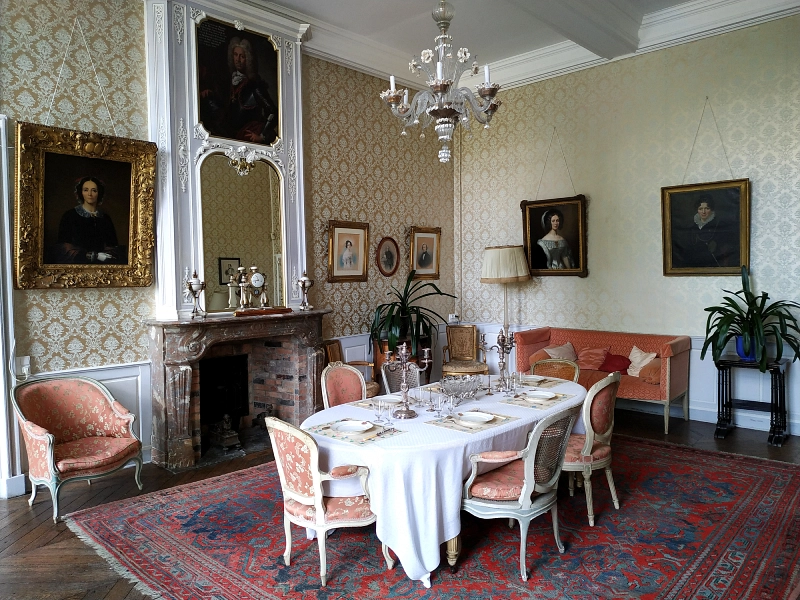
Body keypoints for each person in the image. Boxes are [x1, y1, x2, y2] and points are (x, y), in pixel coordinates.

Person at [200, 37, 278, 144]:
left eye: (242, 56)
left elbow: (273, 112)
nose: (238, 59)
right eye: (235, 55)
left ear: (248, 59)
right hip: (230, 132)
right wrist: (210, 94)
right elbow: (226, 108)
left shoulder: (254, 85)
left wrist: (262, 136)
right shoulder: (229, 82)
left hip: (246, 133)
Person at [49, 176, 125, 264]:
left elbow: (113, 247)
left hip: (102, 267)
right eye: (86, 190)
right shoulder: (70, 216)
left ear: (99, 193)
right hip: (76, 266)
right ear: (81, 192)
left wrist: (106, 255)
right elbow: (63, 249)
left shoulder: (105, 218)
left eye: (94, 190)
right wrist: (92, 255)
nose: (90, 194)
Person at [672, 194, 739, 268]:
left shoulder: (718, 226)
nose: (703, 212)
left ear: (711, 209)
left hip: (712, 266)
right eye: (700, 209)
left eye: (707, 208)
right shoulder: (692, 228)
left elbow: (725, 250)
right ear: (697, 210)